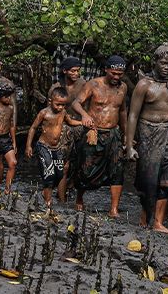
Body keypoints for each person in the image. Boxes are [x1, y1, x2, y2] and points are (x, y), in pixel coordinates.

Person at [126, 43, 168, 233]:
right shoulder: (144, 85)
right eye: (163, 63)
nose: (167, 67)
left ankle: (157, 221)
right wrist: (129, 145)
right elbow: (132, 115)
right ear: (155, 62)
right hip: (148, 134)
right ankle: (145, 215)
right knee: (148, 180)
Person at [71, 55, 128, 217]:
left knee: (117, 169)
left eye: (120, 74)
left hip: (114, 133)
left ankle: (114, 209)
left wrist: (126, 135)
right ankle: (79, 198)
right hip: (94, 132)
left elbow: (122, 111)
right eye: (113, 73)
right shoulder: (93, 84)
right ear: (106, 70)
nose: (116, 77)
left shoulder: (123, 87)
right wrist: (84, 115)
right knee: (86, 169)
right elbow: (76, 103)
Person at [25, 87, 82, 208]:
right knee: (49, 174)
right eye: (58, 104)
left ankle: (45, 192)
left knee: (60, 174)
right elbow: (33, 128)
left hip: (56, 148)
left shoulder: (63, 112)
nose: (60, 107)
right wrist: (28, 146)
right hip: (43, 146)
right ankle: (48, 203)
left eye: (63, 105)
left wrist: (83, 122)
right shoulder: (44, 113)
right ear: (50, 101)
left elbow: (70, 122)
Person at [50, 56, 87, 202]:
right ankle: (61, 198)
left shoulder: (83, 85)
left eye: (78, 71)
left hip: (80, 127)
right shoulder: (56, 88)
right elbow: (50, 112)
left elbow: (89, 106)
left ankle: (70, 188)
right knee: (63, 164)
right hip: (62, 129)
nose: (76, 73)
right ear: (65, 71)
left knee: (79, 162)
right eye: (73, 71)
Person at [0, 80, 17, 194]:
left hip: (5, 140)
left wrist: (14, 142)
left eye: (10, 96)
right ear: (0, 96)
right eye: (7, 96)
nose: (9, 99)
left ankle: (7, 190)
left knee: (13, 163)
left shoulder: (10, 108)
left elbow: (11, 125)